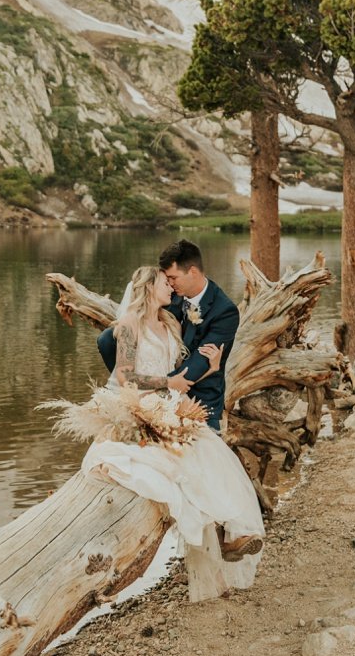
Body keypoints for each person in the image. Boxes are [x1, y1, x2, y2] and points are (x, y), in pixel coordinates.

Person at [82, 263, 263, 601]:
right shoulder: (128, 327)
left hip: (168, 405)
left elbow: (180, 369)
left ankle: (230, 533)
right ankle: (224, 532)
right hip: (141, 405)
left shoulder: (170, 323)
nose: (172, 287)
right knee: (184, 461)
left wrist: (209, 366)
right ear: (149, 288)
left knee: (212, 452)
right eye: (165, 282)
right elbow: (125, 378)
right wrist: (167, 384)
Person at [98, 239, 240, 433]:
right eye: (167, 280)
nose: (171, 285)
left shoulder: (224, 311)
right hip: (158, 393)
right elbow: (109, 344)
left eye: (173, 278)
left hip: (200, 396)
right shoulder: (169, 297)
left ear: (193, 272)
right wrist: (133, 386)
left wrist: (150, 387)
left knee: (201, 453)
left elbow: (199, 364)